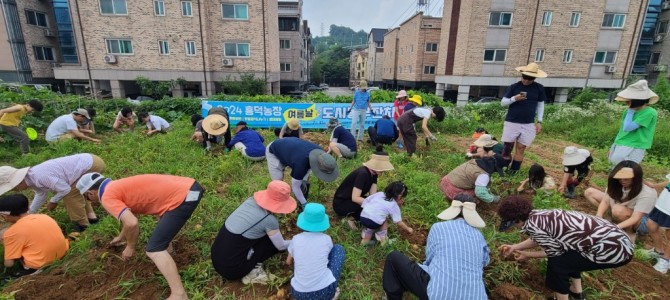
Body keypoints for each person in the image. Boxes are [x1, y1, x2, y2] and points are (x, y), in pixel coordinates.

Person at [77, 173, 204, 300]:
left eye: (86, 198)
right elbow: (129, 218)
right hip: (190, 187)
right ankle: (169, 253)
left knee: (154, 249)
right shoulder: (115, 186)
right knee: (160, 226)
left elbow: (132, 223)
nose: (90, 201)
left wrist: (130, 247)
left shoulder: (106, 197)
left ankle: (179, 295)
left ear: (91, 193)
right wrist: (122, 236)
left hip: (184, 197)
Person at [498, 196, 633, 300]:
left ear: (518, 220)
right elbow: (539, 238)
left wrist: (528, 255)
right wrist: (515, 247)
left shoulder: (533, 225)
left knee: (558, 263)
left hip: (614, 251)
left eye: (513, 224)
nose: (514, 227)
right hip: (620, 240)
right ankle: (576, 291)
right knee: (570, 254)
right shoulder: (538, 215)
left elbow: (553, 252)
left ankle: (562, 297)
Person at [382, 194, 488, 300]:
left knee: (393, 257)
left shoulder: (438, 227)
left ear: (452, 208)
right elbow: (485, 262)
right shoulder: (479, 236)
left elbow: (430, 260)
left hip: (438, 295)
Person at [211, 180, 295, 284]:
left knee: (266, 237)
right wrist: (297, 241)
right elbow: (281, 246)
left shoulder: (250, 201)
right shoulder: (269, 220)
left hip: (217, 258)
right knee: (272, 245)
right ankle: (252, 274)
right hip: (232, 269)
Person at [0, 153, 105, 231]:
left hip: (91, 165)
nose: (16, 190)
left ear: (17, 182)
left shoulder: (40, 177)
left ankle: (84, 226)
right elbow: (41, 194)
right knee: (77, 192)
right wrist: (29, 213)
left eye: (13, 188)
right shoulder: (32, 178)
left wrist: (53, 201)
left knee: (70, 195)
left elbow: (65, 189)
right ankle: (92, 218)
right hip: (89, 161)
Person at [584, 161, 657, 242]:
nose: (622, 181)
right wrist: (598, 216)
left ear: (636, 178)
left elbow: (635, 218)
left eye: (626, 179)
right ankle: (611, 219)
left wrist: (614, 228)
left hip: (641, 221)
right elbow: (605, 201)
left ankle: (628, 231)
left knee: (618, 210)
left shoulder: (647, 193)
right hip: (621, 207)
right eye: (620, 178)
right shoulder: (616, 184)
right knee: (589, 192)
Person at [0, 194, 69, 278]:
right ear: (27, 207)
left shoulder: (12, 232)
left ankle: (29, 270)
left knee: (10, 276)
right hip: (63, 253)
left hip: (40, 264)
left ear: (5, 215)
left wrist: (5, 242)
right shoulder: (44, 216)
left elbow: (9, 264)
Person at [287, 203, 345, 299]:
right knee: (338, 249)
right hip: (324, 292)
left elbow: (288, 262)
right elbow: (329, 255)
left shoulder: (295, 239)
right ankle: (332, 294)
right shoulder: (326, 239)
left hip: (298, 293)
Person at [500, 62, 548, 174]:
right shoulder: (514, 87)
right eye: (525, 77)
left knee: (521, 148)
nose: (526, 80)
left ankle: (514, 171)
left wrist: (539, 121)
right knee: (508, 148)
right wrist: (514, 99)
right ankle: (502, 169)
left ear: (534, 78)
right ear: (522, 75)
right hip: (512, 122)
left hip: (528, 123)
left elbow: (541, 105)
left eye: (530, 78)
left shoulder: (539, 88)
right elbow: (503, 103)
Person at [266, 137, 339, 208]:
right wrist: (304, 203)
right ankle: (276, 204)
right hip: (274, 149)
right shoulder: (301, 164)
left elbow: (309, 167)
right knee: (277, 183)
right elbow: (295, 187)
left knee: (301, 180)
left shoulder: (321, 153)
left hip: (289, 148)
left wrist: (303, 180)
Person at [333, 148, 394, 229]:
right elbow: (355, 198)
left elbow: (373, 195)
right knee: (371, 211)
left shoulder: (374, 174)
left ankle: (353, 217)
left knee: (372, 213)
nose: (383, 171)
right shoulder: (363, 174)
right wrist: (374, 206)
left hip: (353, 202)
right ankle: (348, 218)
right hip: (342, 204)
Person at [608, 79, 659, 165]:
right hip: (621, 142)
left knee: (628, 170)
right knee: (613, 167)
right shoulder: (628, 111)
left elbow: (628, 127)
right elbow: (622, 130)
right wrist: (614, 145)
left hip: (636, 144)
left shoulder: (649, 112)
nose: (627, 102)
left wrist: (631, 110)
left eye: (629, 100)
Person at [360, 181, 413, 245]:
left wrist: (366, 211)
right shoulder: (394, 205)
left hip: (362, 216)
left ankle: (365, 241)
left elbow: (367, 200)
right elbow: (399, 222)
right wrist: (408, 229)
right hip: (374, 222)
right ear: (399, 196)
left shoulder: (380, 194)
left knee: (375, 219)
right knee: (383, 219)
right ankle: (383, 240)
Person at [439, 155, 504, 203]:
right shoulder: (483, 175)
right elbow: (480, 193)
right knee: (477, 197)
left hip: (445, 181)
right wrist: (493, 199)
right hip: (452, 191)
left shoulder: (474, 161)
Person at [643, 174, 670, 273]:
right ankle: (659, 251)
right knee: (651, 224)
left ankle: (665, 261)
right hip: (664, 202)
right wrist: (655, 185)